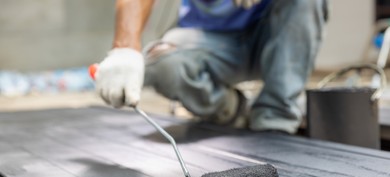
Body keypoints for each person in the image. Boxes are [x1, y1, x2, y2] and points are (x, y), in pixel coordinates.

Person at [96, 0, 328, 134]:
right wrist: (124, 49)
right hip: (210, 37)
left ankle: (276, 118)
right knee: (162, 64)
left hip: (273, 36)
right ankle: (235, 110)